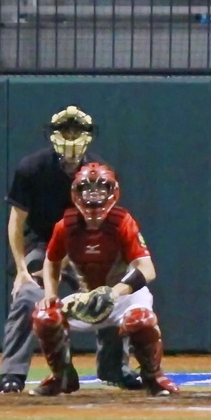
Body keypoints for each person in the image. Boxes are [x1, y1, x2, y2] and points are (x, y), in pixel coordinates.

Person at [0, 105, 142, 394]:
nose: (72, 137)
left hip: (86, 244)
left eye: (77, 131)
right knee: (27, 295)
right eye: (66, 131)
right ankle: (13, 373)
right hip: (42, 243)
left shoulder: (100, 172)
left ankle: (114, 366)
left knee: (109, 295)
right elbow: (16, 222)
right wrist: (22, 271)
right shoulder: (32, 168)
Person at [30, 162, 178, 397]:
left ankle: (153, 375)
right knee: (45, 316)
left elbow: (147, 269)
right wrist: (51, 293)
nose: (94, 198)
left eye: (100, 191)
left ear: (112, 192)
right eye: (88, 191)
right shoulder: (65, 226)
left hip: (124, 296)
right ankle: (62, 375)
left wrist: (115, 292)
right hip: (88, 296)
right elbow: (51, 260)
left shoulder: (122, 222)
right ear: (76, 193)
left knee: (141, 320)